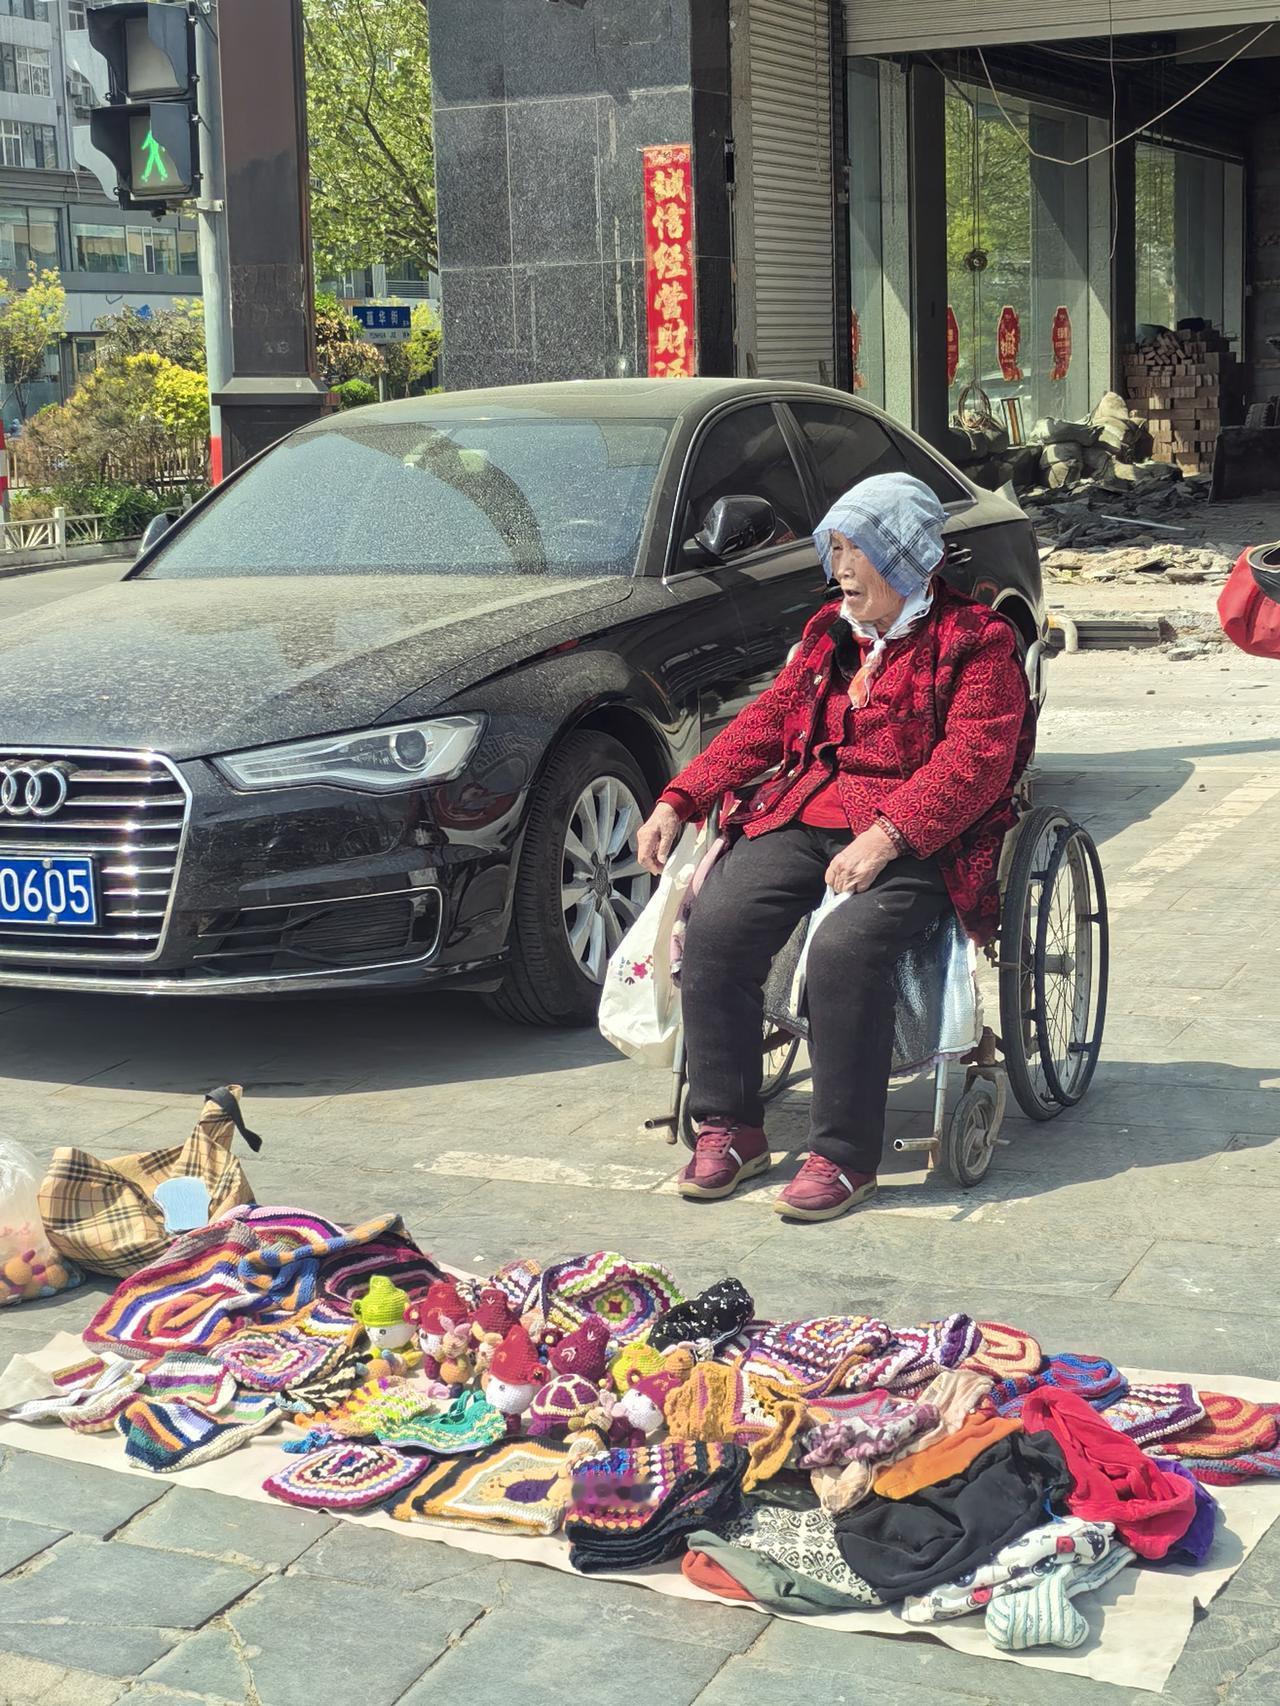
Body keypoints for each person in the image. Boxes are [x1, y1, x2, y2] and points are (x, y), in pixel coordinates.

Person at [635, 471, 1035, 1223]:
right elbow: (767, 722)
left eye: (858, 551)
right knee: (717, 926)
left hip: (921, 835)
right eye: (837, 549)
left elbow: (975, 762)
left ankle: (845, 1156)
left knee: (844, 950)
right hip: (808, 812)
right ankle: (729, 1126)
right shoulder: (829, 634)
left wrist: (888, 836)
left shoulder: (977, 643)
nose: (840, 569)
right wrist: (678, 796)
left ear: (908, 558)